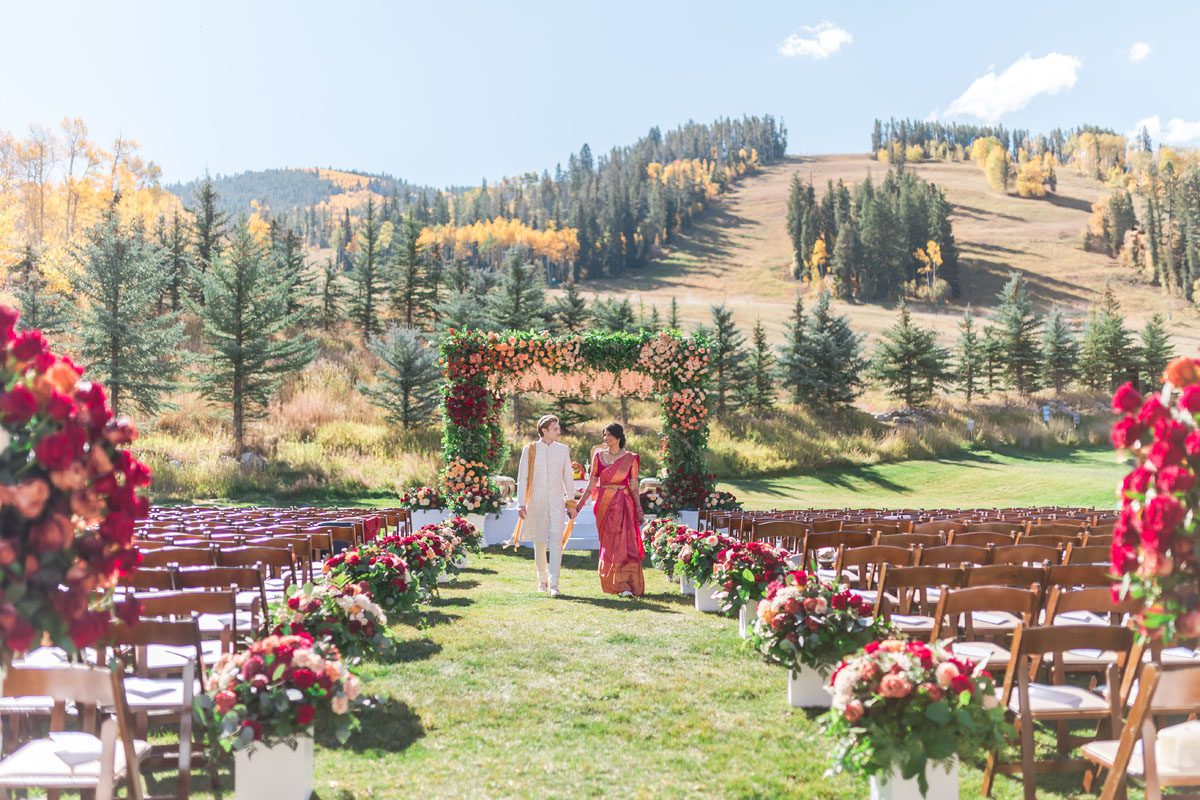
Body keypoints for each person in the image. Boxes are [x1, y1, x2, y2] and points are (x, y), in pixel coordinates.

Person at [580, 422, 645, 597]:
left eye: (609, 435)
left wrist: (639, 509)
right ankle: (613, 583)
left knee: (624, 542)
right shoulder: (598, 456)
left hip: (624, 504)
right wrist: (579, 505)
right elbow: (592, 483)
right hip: (604, 505)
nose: (606, 438)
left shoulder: (630, 458)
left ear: (618, 437)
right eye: (604, 435)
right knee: (609, 543)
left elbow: (633, 486)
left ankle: (625, 585)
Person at [515, 415, 576, 596]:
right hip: (536, 503)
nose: (559, 431)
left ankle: (555, 585)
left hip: (557, 504)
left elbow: (568, 479)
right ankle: (542, 580)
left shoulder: (563, 450)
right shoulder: (530, 450)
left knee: (556, 542)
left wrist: (571, 503)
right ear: (544, 431)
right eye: (555, 428)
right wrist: (521, 503)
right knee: (540, 543)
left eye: (558, 428)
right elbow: (522, 477)